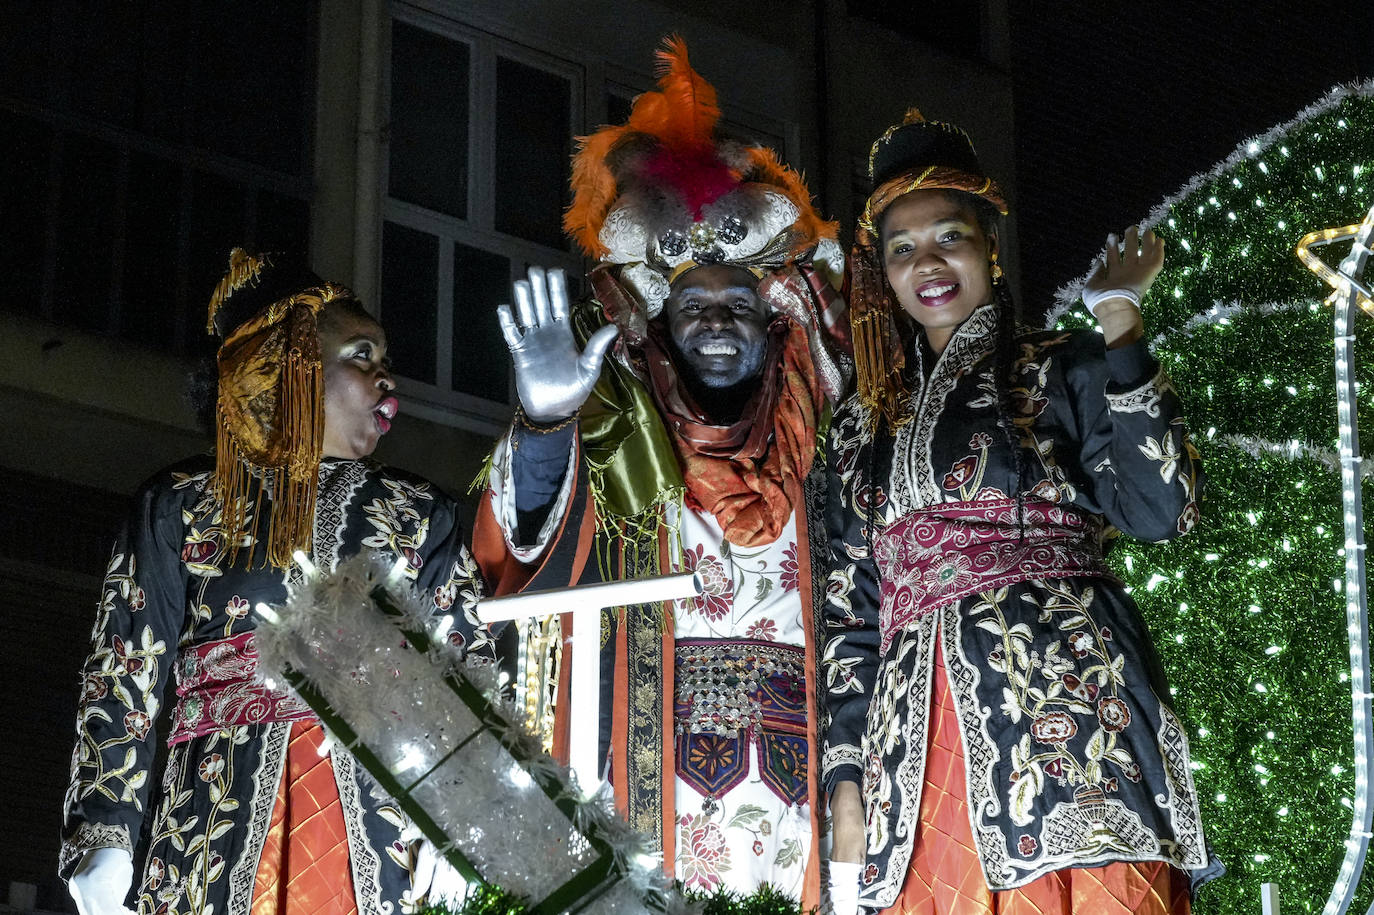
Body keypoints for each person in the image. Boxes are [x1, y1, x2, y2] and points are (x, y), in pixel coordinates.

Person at [471, 39, 850, 905]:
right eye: (694, 305)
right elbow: (513, 548)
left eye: (737, 305)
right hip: (645, 778)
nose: (717, 322)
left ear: (771, 320)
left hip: (809, 806)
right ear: (664, 320)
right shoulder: (612, 420)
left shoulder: (822, 431)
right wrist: (546, 421)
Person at [821, 110, 1225, 913]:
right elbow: (848, 618)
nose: (927, 264)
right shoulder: (857, 427)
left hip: (1068, 713)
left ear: (990, 245)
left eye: (949, 236)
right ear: (883, 273)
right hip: (914, 741)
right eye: (902, 249)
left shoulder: (1060, 368)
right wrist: (845, 785)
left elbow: (1163, 510)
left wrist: (1121, 324)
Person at [61, 250, 493, 915]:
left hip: (382, 837)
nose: (386, 377)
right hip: (210, 828)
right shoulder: (181, 505)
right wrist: (107, 835)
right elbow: (122, 676)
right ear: (292, 365)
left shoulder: (421, 515)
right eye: (362, 353)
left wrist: (462, 822)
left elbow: (468, 667)